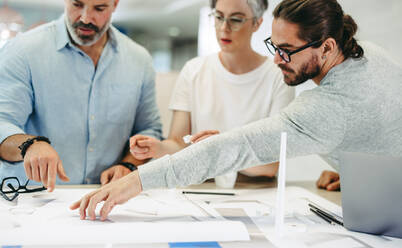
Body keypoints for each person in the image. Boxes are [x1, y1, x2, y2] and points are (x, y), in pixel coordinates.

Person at [71, 0, 402, 221]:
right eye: (274, 47)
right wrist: (356, 165)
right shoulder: (367, 54)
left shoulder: (329, 107)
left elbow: (238, 148)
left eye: (286, 51)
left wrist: (136, 182)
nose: (276, 60)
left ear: (328, 47)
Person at [0, 0, 162, 192]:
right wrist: (29, 145)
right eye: (77, 5)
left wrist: (128, 165)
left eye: (99, 8)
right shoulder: (23, 50)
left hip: (106, 199)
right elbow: (3, 121)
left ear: (115, 4)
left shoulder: (139, 59)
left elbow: (149, 130)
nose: (85, 18)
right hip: (32, 199)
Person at [129, 0, 294, 187]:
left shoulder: (278, 77)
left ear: (257, 23)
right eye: (218, 17)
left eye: (236, 19)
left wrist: (220, 147)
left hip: (256, 190)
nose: (224, 27)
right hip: (201, 185)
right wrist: (157, 148)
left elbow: (271, 164)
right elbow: (179, 143)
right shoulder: (194, 70)